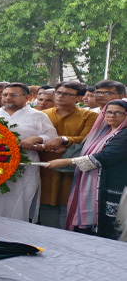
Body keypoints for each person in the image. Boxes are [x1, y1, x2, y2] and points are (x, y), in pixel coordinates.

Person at [0, 83, 58, 222]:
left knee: (17, 202)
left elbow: (52, 137)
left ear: (27, 97)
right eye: (5, 95)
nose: (7, 98)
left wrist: (38, 138)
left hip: (23, 167)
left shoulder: (38, 116)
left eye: (13, 95)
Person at [46, 100, 127, 239]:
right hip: (91, 181)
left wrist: (65, 161)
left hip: (111, 183)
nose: (112, 115)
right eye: (109, 112)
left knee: (106, 229)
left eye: (118, 113)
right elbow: (87, 152)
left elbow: (104, 157)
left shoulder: (124, 134)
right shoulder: (102, 132)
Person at [38, 81, 98, 229]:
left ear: (78, 98)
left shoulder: (89, 116)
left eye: (67, 94)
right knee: (45, 203)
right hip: (45, 165)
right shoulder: (41, 114)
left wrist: (64, 140)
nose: (60, 96)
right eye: (58, 93)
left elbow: (85, 139)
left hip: (70, 167)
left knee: (67, 204)